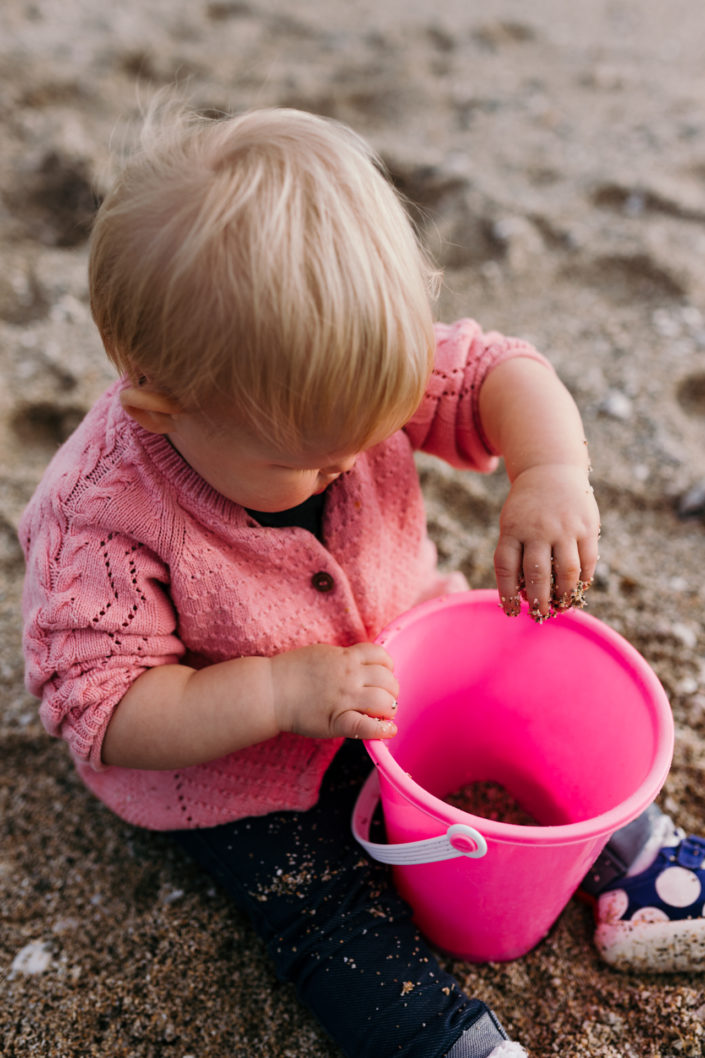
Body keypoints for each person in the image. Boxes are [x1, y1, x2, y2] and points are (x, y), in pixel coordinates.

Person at [17, 100, 700, 1058]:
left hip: (399, 651)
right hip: (231, 766)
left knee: (528, 710)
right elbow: (101, 712)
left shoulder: (339, 371)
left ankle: (638, 853)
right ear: (163, 405)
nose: (353, 461)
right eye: (317, 455)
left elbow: (495, 373)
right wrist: (277, 690)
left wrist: (549, 473)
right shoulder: (100, 513)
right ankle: (448, 1041)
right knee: (315, 905)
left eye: (370, 432)